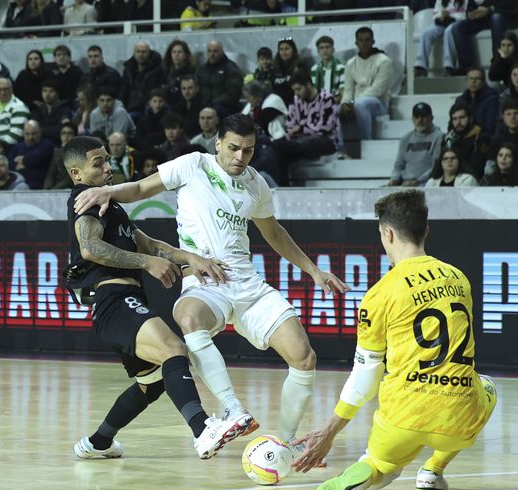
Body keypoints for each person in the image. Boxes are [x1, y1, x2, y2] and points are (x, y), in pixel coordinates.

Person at [73, 113, 350, 445]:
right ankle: (232, 409)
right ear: (217, 143)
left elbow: (273, 232)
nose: (239, 157)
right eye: (233, 148)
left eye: (248, 150)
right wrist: (108, 192)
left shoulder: (256, 183)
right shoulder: (194, 165)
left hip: (248, 285)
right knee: (187, 315)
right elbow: (141, 188)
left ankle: (286, 444)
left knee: (304, 357)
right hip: (206, 283)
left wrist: (313, 270)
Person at [291, 190, 498, 490]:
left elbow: (366, 375)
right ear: (425, 230)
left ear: (387, 233)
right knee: (487, 385)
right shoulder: (460, 278)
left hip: (404, 416)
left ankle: (369, 471)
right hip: (459, 417)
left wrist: (331, 431)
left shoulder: (380, 294)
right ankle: (433, 470)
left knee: (383, 465)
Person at [63, 135, 250, 460]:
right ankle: (203, 430)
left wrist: (194, 259)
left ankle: (98, 442)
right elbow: (90, 248)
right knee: (175, 350)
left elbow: (150, 244)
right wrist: (147, 263)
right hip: (111, 299)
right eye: (98, 164)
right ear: (77, 174)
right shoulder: (85, 198)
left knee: (152, 382)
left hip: (121, 298)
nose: (108, 167)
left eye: (108, 159)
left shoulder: (111, 205)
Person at [274, 68, 340, 183]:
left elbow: (325, 127)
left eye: (299, 89)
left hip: (326, 141)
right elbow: (290, 125)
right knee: (277, 148)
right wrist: (295, 132)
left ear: (309, 85)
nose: (296, 93)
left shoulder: (326, 98)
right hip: (300, 141)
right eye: (294, 90)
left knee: (306, 143)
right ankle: (283, 187)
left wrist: (301, 128)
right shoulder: (296, 100)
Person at [340, 27, 392, 141]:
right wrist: (345, 103)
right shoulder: (350, 63)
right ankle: (340, 147)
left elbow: (378, 90)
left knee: (360, 104)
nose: (364, 43)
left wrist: (353, 103)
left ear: (373, 42)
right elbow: (348, 90)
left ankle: (366, 143)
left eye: (367, 40)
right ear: (356, 43)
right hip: (357, 102)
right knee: (337, 109)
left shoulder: (384, 61)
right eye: (361, 40)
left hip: (380, 103)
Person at [449, 0, 518, 73]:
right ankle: (468, 67)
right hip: (483, 19)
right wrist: (471, 13)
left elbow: (512, 7)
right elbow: (470, 7)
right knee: (457, 27)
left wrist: (489, 10)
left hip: (505, 17)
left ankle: (498, 62)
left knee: (496, 18)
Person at [387, 102, 442, 186]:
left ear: (431, 118)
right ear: (412, 119)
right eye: (417, 116)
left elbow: (435, 167)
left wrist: (418, 181)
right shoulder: (405, 138)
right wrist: (394, 179)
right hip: (405, 183)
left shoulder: (439, 136)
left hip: (427, 182)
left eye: (424, 116)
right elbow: (398, 165)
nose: (420, 120)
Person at [414, 0, 466, 78]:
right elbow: (435, 16)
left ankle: (449, 67)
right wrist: (441, 17)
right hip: (442, 23)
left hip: (457, 24)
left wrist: (449, 16)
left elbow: (463, 16)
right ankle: (420, 66)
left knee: (448, 31)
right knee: (426, 33)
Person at [196, 40, 244, 117]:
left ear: (222, 51)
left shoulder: (231, 69)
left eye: (215, 51)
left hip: (224, 107)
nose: (212, 54)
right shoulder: (202, 70)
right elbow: (196, 89)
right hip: (204, 105)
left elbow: (233, 93)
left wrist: (213, 103)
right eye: (209, 51)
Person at [0, 78, 30, 150]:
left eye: (6, 89)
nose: (3, 92)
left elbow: (16, 134)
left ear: (11, 90)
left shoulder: (19, 107)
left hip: (11, 150)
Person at [443, 102, 489, 177]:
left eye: (462, 118)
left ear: (471, 119)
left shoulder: (481, 137)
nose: (458, 122)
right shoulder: (449, 139)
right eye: (454, 119)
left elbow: (477, 168)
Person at [122, 41, 165, 118]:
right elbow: (123, 90)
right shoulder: (128, 69)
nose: (140, 55)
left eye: (144, 52)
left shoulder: (157, 70)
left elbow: (150, 93)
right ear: (134, 53)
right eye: (138, 51)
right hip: (128, 108)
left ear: (149, 53)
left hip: (145, 109)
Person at [8, 120, 54, 189]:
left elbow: (36, 159)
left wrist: (22, 160)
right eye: (27, 134)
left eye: (34, 134)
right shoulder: (18, 147)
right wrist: (28, 162)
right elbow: (10, 164)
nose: (30, 137)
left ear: (40, 132)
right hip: (17, 185)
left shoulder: (47, 144)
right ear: (23, 134)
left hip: (37, 185)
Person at [455, 66, 499, 133]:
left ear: (483, 81)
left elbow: (490, 126)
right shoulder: (460, 100)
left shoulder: (492, 99)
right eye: (471, 78)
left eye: (477, 79)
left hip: (482, 138)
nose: (473, 82)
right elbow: (453, 123)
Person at [310, 36, 345, 103]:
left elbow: (342, 91)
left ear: (333, 50)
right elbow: (314, 90)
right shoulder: (314, 69)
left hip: (336, 102)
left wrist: (328, 104)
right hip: (318, 103)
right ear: (318, 51)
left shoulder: (341, 68)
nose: (324, 50)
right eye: (321, 48)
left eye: (327, 47)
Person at [272, 37, 305, 108]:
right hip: (277, 104)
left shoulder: (300, 66)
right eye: (281, 49)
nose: (284, 52)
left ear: (293, 50)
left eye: (287, 49)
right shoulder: (274, 67)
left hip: (294, 104)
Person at [163, 40, 196, 107]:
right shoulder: (166, 70)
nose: (176, 55)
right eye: (174, 52)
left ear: (185, 55)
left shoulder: (191, 71)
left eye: (179, 52)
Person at [44, 122, 76, 188]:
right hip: (57, 188)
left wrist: (55, 188)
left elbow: (72, 177)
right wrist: (46, 189)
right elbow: (51, 173)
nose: (66, 136)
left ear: (75, 136)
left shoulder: (79, 153)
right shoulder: (57, 152)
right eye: (63, 133)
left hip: (72, 187)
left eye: (69, 133)